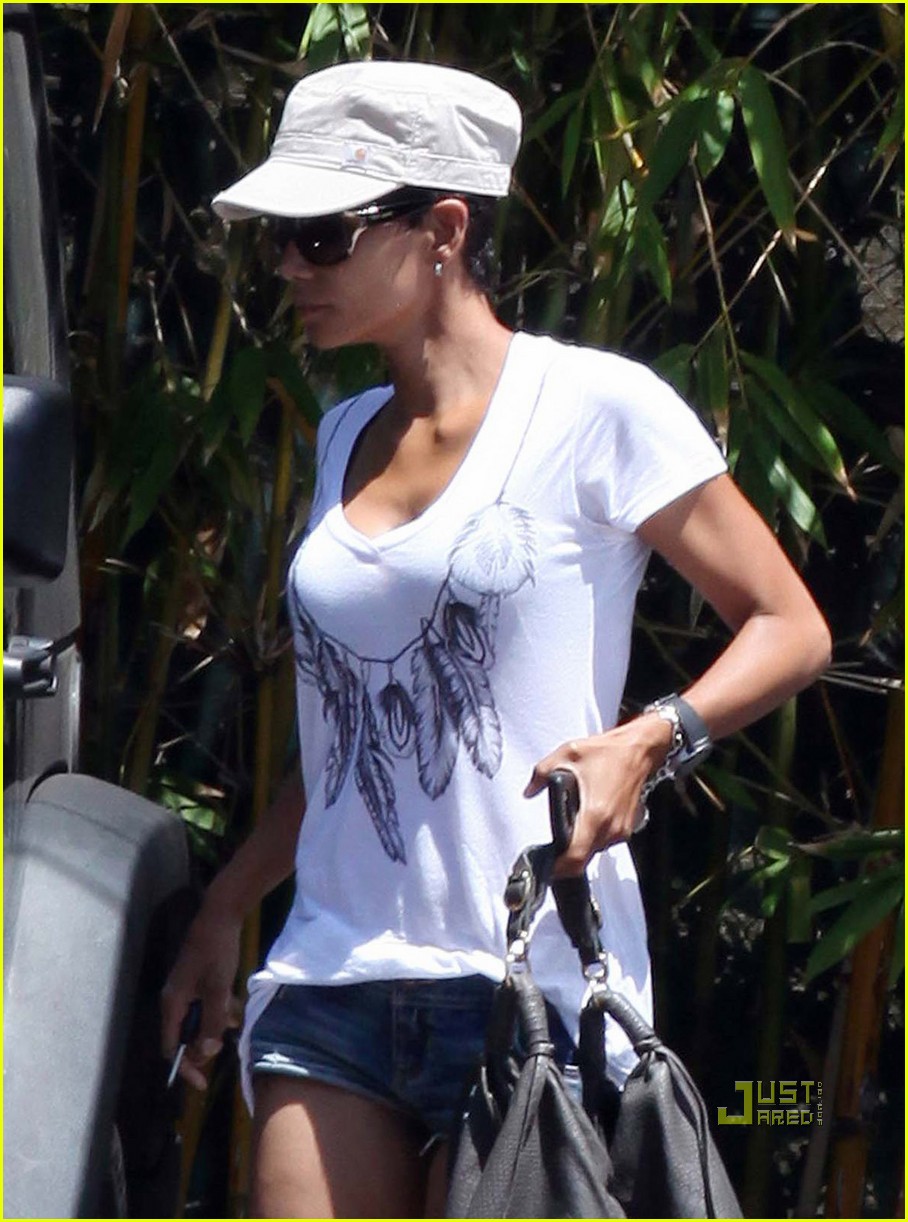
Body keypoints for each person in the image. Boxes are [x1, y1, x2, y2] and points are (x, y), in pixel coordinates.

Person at [161, 60, 831, 1219]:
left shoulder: (595, 409)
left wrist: (648, 739)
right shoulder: (341, 433)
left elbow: (789, 624)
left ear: (443, 230)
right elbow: (354, 741)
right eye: (278, 239)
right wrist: (228, 901)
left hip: (530, 984)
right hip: (333, 976)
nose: (287, 267)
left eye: (320, 236)